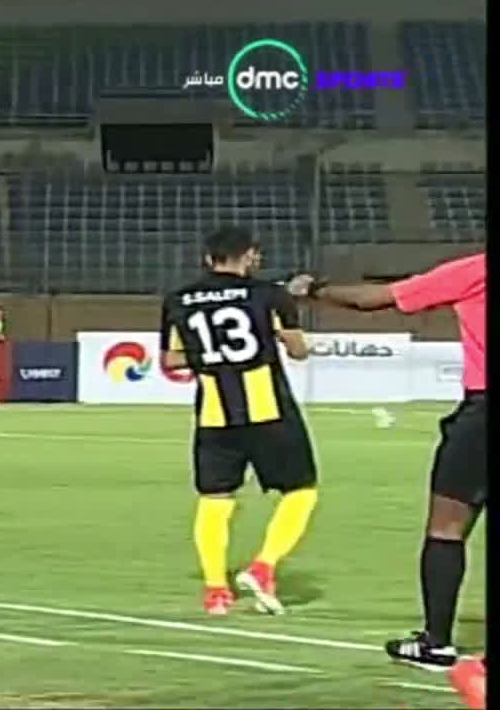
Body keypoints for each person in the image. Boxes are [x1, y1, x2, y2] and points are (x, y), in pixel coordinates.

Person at [288, 252, 485, 670]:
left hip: (483, 417)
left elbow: (374, 299)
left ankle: (436, 643)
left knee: (447, 527)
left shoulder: (476, 270)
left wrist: (315, 289)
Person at [159, 229, 317, 616]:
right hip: (270, 412)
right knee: (301, 491)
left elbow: (171, 361)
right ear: (248, 256)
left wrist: (207, 354)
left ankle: (216, 590)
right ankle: (264, 567)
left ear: (208, 258)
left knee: (215, 499)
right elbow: (298, 351)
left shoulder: (178, 300)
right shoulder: (269, 295)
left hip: (214, 416)